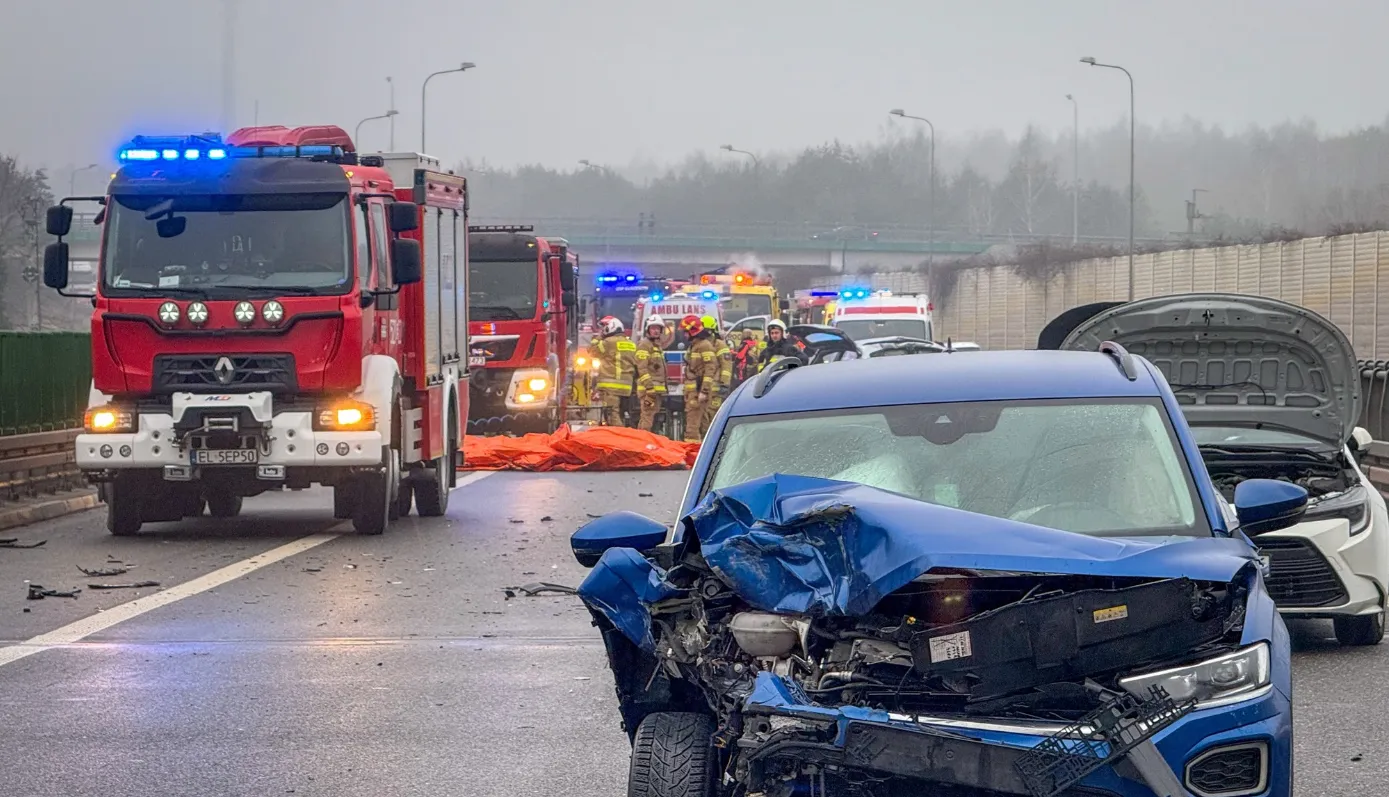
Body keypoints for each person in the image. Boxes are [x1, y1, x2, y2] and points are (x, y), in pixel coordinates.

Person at [590, 315, 636, 426]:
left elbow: (592, 350)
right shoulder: (631, 344)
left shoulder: (608, 342)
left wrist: (599, 337)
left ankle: (619, 435)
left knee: (612, 415)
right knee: (620, 414)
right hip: (627, 387)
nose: (603, 330)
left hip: (611, 386)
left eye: (604, 328)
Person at [680, 315, 715, 442]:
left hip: (697, 392)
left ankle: (692, 451)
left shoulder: (704, 346)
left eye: (686, 332)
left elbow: (710, 368)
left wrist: (704, 391)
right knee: (703, 425)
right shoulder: (695, 346)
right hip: (693, 392)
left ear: (693, 331)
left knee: (692, 428)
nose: (684, 335)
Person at [634, 315, 669, 432]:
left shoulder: (656, 346)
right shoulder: (645, 345)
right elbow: (642, 368)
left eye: (658, 328)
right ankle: (644, 439)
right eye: (653, 328)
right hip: (648, 390)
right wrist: (649, 388)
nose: (656, 331)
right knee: (647, 416)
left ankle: (641, 438)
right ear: (647, 330)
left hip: (655, 390)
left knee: (648, 416)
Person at [702, 316, 734, 437]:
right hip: (705, 389)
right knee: (703, 418)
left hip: (716, 389)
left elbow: (726, 366)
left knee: (713, 417)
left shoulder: (719, 345)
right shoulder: (702, 345)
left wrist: (724, 384)